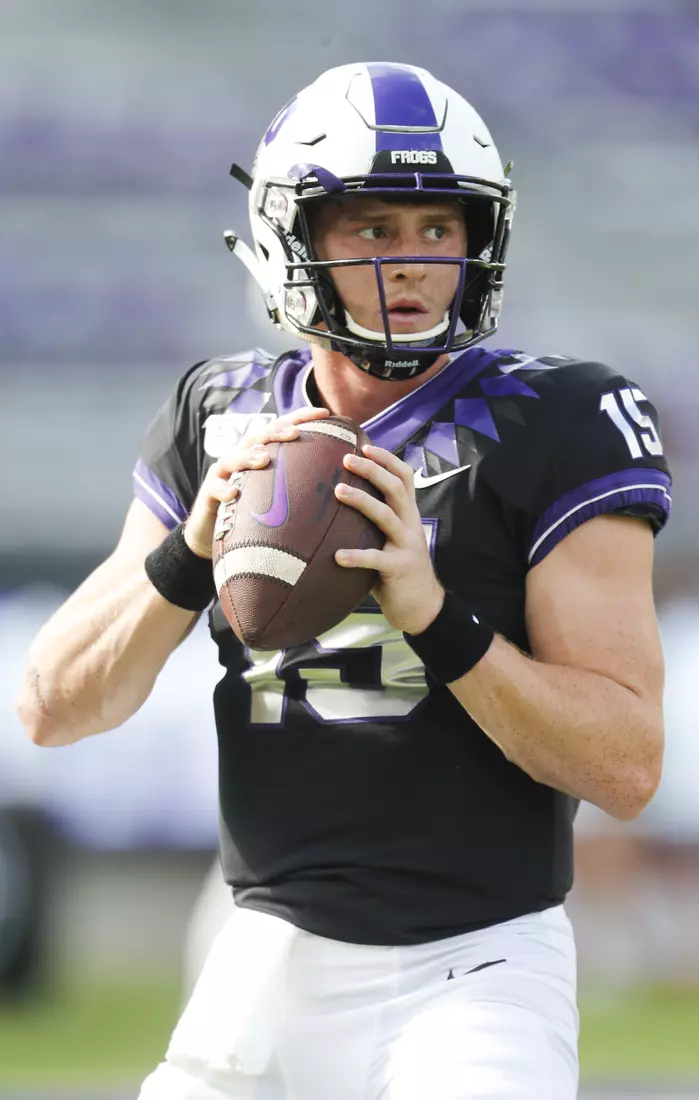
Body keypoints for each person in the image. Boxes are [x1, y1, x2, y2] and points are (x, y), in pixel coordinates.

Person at [17, 62, 671, 1099]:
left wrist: (434, 616)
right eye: (371, 229)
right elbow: (52, 705)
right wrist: (185, 557)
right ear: (291, 237)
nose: (409, 262)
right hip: (258, 957)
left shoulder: (561, 419)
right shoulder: (219, 410)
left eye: (437, 228)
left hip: (475, 968)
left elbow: (626, 762)